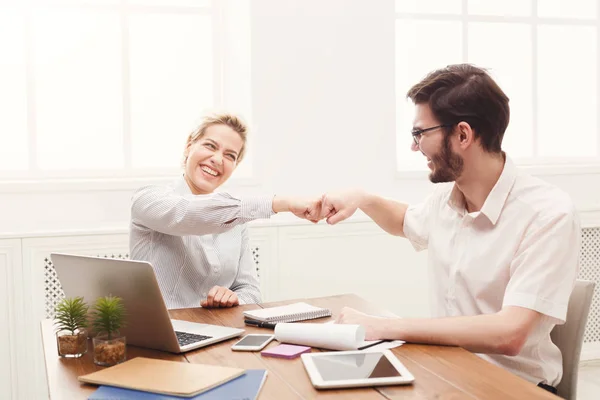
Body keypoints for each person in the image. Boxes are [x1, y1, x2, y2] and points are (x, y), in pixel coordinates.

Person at [321, 64, 580, 394]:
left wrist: (384, 327)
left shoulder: (548, 214)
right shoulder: (446, 198)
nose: (415, 147)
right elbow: (405, 221)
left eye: (420, 134)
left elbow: (509, 334)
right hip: (447, 375)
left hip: (515, 388)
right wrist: (362, 199)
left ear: (462, 134)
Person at [130, 113, 321, 310]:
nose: (218, 159)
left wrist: (234, 298)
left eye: (230, 156)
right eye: (210, 146)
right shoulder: (148, 198)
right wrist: (280, 203)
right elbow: (189, 214)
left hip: (220, 329)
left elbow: (251, 291)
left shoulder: (237, 222)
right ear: (189, 145)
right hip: (164, 333)